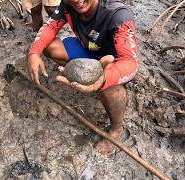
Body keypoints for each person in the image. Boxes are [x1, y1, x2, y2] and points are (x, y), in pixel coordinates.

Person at [27, 0, 139, 155]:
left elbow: (131, 62)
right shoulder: (68, 4)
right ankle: (82, 72)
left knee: (107, 88)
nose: (78, 1)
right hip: (88, 49)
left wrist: (104, 77)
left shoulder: (118, 15)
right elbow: (51, 26)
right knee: (48, 47)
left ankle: (116, 129)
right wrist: (34, 52)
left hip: (112, 63)